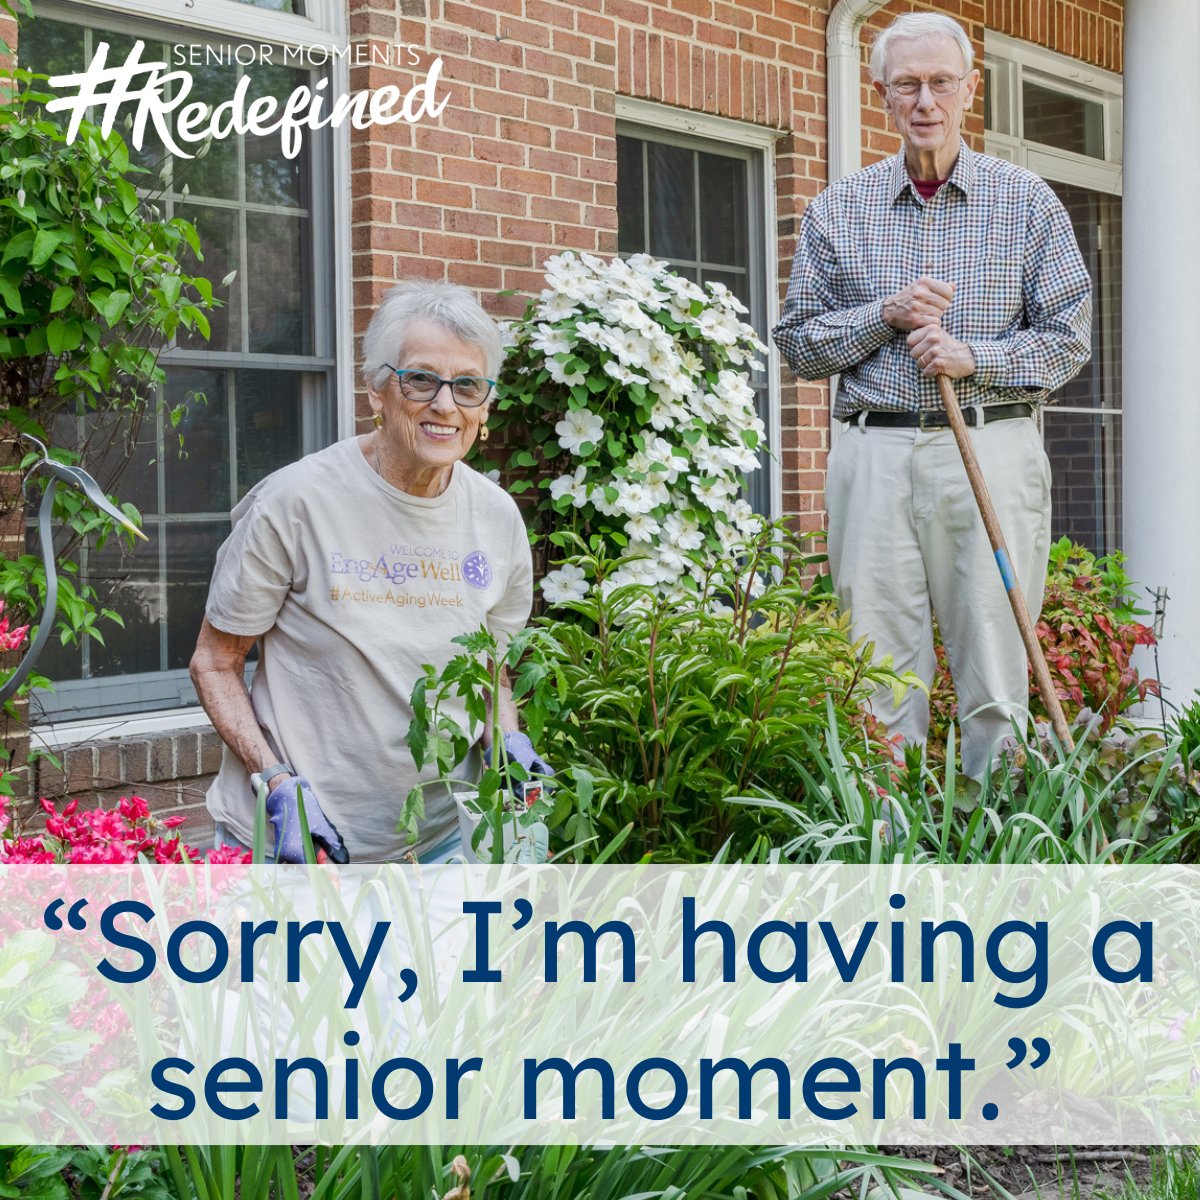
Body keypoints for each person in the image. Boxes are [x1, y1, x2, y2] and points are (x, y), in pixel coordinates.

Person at [772, 12, 1091, 778]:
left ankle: (995, 853)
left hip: (988, 445)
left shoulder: (1026, 203)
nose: (925, 100)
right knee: (875, 667)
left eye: (941, 82)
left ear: (968, 89)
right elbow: (798, 343)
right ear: (882, 94)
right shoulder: (838, 209)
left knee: (992, 659)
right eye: (907, 83)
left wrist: (972, 356)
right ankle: (888, 852)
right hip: (873, 451)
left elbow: (1069, 337)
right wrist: (884, 316)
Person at [191, 280, 548, 862]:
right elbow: (215, 662)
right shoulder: (296, 502)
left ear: (485, 407)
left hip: (439, 846)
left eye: (467, 386)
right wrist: (275, 783)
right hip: (299, 843)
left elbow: (491, 672)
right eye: (420, 379)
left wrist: (505, 741)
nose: (444, 405)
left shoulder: (496, 517)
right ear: (377, 390)